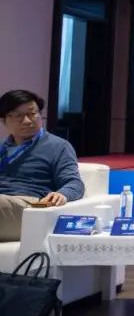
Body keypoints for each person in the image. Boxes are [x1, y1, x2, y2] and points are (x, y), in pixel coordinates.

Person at [0, 89, 84, 242]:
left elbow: (74, 183)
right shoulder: (2, 147)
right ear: (3, 120)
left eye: (32, 113)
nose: (27, 121)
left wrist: (62, 194)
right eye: (18, 116)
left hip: (29, 207)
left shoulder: (58, 146)